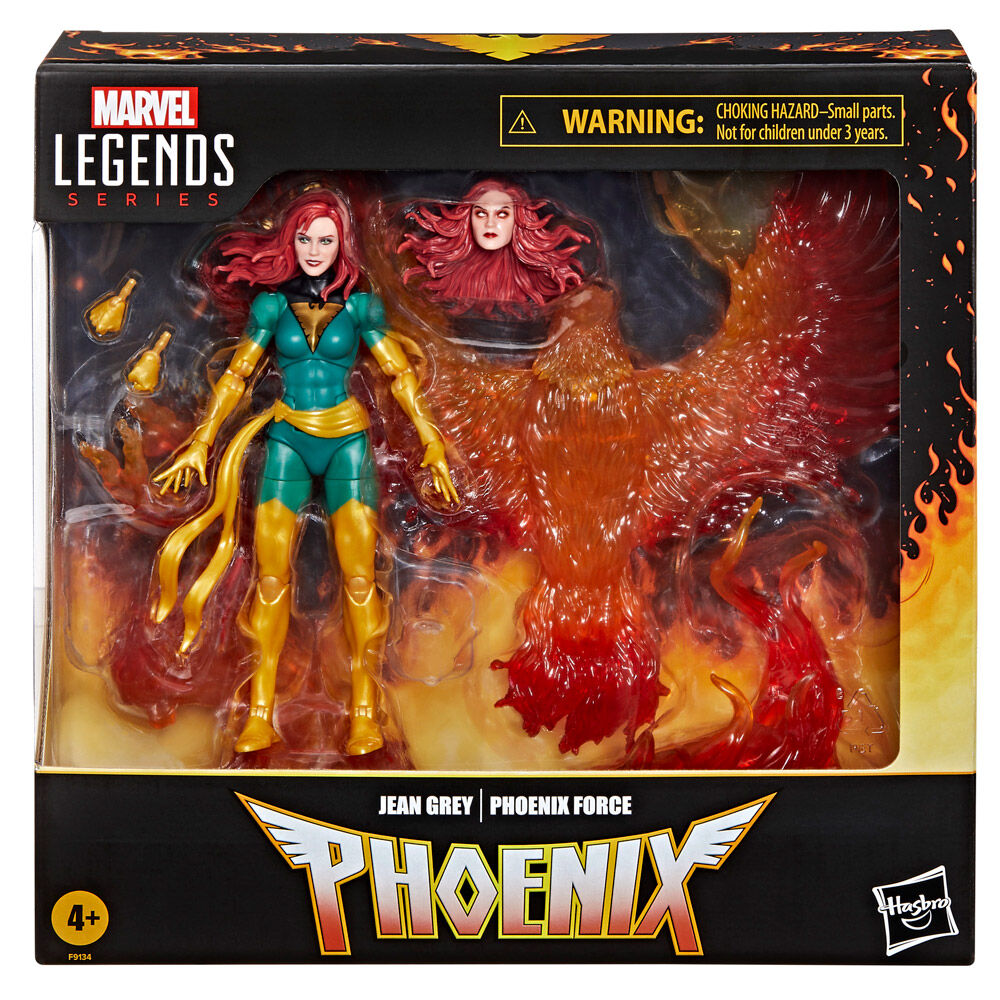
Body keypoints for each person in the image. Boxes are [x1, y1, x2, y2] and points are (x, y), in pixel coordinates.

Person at [151, 187, 457, 756]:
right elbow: (238, 375)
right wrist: (202, 441)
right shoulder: (271, 307)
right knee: (271, 580)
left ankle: (363, 713)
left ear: (343, 245)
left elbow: (398, 374)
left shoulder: (361, 307)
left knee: (360, 580)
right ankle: (259, 713)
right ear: (289, 242)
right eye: (305, 239)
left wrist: (432, 441)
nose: (315, 250)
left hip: (348, 444)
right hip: (288, 439)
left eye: (326, 240)